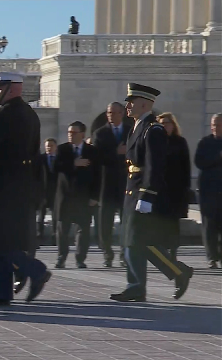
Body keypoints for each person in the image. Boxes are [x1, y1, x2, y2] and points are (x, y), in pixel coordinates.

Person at [110, 83, 193, 302]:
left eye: (131, 101)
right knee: (131, 242)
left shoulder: (153, 130)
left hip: (143, 194)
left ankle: (175, 272)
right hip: (131, 192)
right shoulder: (136, 127)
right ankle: (138, 286)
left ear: (144, 103)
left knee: (139, 242)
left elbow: (155, 166)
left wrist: (147, 195)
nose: (127, 105)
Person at [0, 71, 51, 304]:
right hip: (21, 186)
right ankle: (2, 292)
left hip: (1, 187)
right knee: (3, 240)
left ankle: (34, 269)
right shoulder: (30, 114)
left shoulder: (4, 116)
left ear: (13, 88)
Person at [53, 121, 101, 269]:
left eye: (74, 133)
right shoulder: (62, 149)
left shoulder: (92, 151)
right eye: (69, 132)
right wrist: (74, 163)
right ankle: (61, 257)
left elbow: (98, 175)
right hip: (65, 197)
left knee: (83, 229)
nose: (70, 135)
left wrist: (95, 196)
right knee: (62, 230)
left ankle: (80, 258)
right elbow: (55, 167)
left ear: (82, 134)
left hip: (84, 197)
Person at [91, 102, 132, 267]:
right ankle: (107, 252)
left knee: (126, 221)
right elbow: (97, 158)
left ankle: (124, 253)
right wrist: (116, 153)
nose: (110, 115)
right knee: (104, 222)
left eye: (114, 113)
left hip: (125, 183)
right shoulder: (100, 133)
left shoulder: (131, 131)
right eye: (108, 113)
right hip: (106, 183)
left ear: (122, 113)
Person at [156, 113, 191, 262]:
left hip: (176, 189)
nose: (165, 126)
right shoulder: (155, 142)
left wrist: (186, 189)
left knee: (173, 223)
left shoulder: (180, 142)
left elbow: (186, 167)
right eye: (162, 123)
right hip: (159, 189)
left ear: (173, 124)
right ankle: (163, 252)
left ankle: (174, 251)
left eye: (167, 123)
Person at [195, 113, 222, 269]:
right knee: (209, 225)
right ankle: (212, 257)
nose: (215, 127)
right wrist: (218, 157)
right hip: (208, 192)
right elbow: (199, 162)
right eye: (213, 124)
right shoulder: (204, 143)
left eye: (218, 124)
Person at [36, 138, 59, 244]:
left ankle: (55, 236)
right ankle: (39, 236)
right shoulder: (40, 159)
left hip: (56, 192)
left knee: (56, 216)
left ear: (55, 147)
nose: (49, 148)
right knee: (41, 216)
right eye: (47, 146)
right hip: (42, 192)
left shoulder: (59, 159)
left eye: (51, 146)